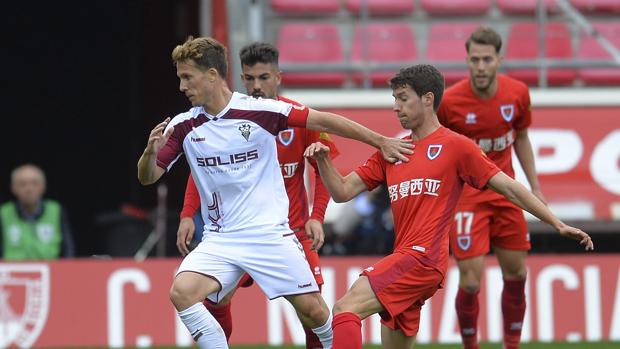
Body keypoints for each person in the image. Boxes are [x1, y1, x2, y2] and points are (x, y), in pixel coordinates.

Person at [136, 36, 412, 348]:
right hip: (222, 240)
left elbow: (324, 120)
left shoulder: (260, 111)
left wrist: (381, 141)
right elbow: (149, 177)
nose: (182, 87)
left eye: (187, 77)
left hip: (269, 235)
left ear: (212, 75)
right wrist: (149, 154)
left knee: (314, 313)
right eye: (180, 78)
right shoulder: (185, 126)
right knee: (182, 292)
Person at [303, 64, 593, 349]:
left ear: (428, 99)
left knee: (344, 309)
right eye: (395, 99)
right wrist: (323, 161)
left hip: (422, 259)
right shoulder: (392, 150)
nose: (396, 107)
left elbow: (508, 187)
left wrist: (556, 223)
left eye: (403, 98)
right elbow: (341, 192)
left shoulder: (457, 147)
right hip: (408, 261)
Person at [176, 42, 340, 347]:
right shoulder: (232, 119)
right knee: (218, 300)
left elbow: (322, 169)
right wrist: (188, 212)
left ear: (278, 76)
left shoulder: (294, 116)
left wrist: (317, 217)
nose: (256, 86)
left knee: (312, 312)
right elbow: (202, 167)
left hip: (291, 230)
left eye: (264, 77)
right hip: (238, 232)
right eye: (249, 78)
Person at [436, 27, 545, 349]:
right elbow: (438, 148)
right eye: (474, 60)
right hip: (468, 197)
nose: (480, 66)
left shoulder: (518, 94)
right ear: (467, 60)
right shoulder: (450, 101)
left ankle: (511, 344)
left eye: (486, 59)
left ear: (499, 59)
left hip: (507, 193)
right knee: (470, 281)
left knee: (517, 274)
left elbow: (521, 137)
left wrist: (535, 187)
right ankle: (471, 345)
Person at [1, 164, 75, 260]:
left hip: (50, 271)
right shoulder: (3, 212)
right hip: (13, 271)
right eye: (22, 184)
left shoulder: (56, 210)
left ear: (43, 187)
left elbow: (68, 248)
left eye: (34, 183)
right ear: (13, 188)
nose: (29, 189)